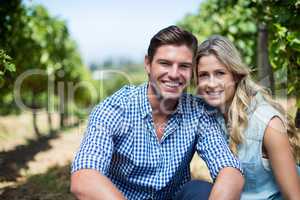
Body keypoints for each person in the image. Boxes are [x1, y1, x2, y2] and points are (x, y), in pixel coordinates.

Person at [70, 26, 244, 200]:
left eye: (184, 66)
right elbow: (84, 178)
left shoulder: (198, 112)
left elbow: (229, 170)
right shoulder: (115, 109)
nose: (174, 74)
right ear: (148, 64)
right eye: (165, 63)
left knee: (199, 190)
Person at [196, 35, 300, 200]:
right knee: (195, 189)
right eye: (203, 75)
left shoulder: (267, 122)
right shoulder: (207, 115)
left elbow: (294, 196)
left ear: (235, 75)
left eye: (220, 73)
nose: (211, 83)